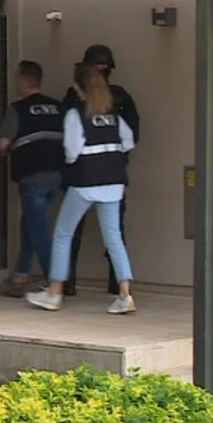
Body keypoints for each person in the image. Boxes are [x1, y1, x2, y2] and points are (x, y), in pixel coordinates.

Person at [26, 64, 136, 314]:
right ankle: (125, 294)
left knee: (63, 234)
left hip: (85, 182)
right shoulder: (113, 116)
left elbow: (72, 151)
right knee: (114, 238)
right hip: (114, 182)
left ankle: (54, 292)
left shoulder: (76, 115)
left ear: (77, 87)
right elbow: (128, 141)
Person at [61, 44, 140, 297]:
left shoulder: (77, 99)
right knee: (114, 233)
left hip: (83, 175)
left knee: (69, 232)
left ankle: (63, 284)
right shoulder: (118, 97)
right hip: (113, 175)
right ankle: (120, 288)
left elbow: (67, 138)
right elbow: (131, 136)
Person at [0, 61, 65, 298]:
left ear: (22, 80)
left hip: (32, 177)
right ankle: (21, 274)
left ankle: (54, 283)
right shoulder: (58, 107)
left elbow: (3, 145)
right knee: (30, 222)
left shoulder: (17, 109)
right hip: (57, 176)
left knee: (38, 229)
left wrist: (7, 148)